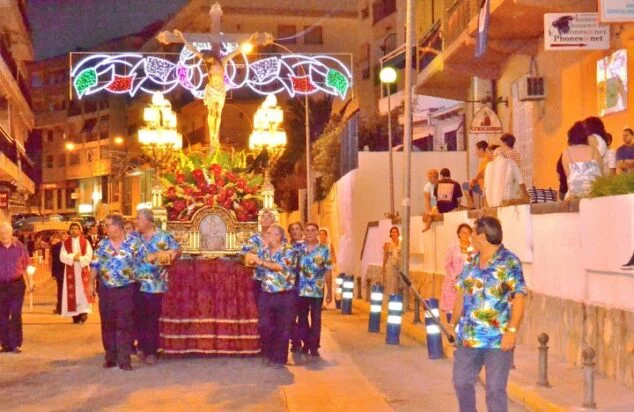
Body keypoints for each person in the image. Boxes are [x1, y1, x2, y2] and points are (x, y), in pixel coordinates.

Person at [450, 216, 528, 412]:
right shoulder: (471, 261)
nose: (470, 238)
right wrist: (453, 324)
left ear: (482, 237)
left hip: (497, 341)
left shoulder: (509, 262)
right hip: (469, 338)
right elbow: (461, 293)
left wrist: (512, 331)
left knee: (495, 391)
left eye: (473, 234)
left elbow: (519, 297)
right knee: (461, 382)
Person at [89, 214, 142, 371]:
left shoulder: (133, 243)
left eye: (108, 225)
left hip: (127, 289)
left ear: (117, 226)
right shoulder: (102, 245)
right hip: (106, 289)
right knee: (108, 323)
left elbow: (142, 263)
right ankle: (110, 357)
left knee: (125, 323)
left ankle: (124, 359)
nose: (105, 228)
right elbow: (95, 264)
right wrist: (90, 283)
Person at [134, 209, 180, 365]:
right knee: (138, 317)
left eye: (138, 219)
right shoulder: (134, 237)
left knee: (151, 319)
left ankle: (151, 351)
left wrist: (169, 255)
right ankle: (141, 347)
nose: (136, 222)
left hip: (155, 284)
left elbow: (177, 249)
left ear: (148, 221)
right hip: (136, 283)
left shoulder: (163, 236)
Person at [249, 225, 297, 368]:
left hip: (284, 294)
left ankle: (280, 358)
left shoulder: (289, 250)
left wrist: (261, 262)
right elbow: (252, 262)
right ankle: (268, 353)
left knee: (283, 327)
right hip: (266, 293)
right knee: (265, 325)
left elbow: (281, 266)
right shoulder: (264, 251)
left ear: (278, 236)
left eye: (270, 234)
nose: (267, 236)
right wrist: (251, 259)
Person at [297, 223, 333, 357]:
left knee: (316, 318)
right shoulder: (298, 247)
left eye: (313, 230)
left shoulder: (324, 249)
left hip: (317, 290)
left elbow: (328, 271)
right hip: (300, 289)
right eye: (307, 230)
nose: (310, 233)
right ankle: (305, 343)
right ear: (304, 233)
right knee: (302, 318)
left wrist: (330, 291)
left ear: (318, 232)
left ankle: (314, 346)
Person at [0, 222, 31, 353]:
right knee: (2, 315)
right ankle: (5, 344)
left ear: (11, 233)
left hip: (17, 285)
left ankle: (16, 344)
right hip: (1, 286)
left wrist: (30, 282)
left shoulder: (20, 247)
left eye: (6, 232)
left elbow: (27, 266)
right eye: (1, 233)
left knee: (16, 314)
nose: (4, 235)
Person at [440, 224, 473, 328]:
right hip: (453, 281)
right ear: (459, 234)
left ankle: (462, 329)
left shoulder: (474, 248)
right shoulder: (453, 247)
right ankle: (452, 329)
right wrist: (455, 275)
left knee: (465, 306)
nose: (466, 234)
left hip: (468, 282)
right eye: (463, 232)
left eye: (468, 232)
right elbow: (447, 263)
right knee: (452, 305)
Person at [60, 223, 93, 324]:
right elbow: (62, 256)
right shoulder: (66, 243)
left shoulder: (85, 242)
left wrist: (80, 258)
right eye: (72, 229)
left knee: (83, 291)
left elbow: (89, 255)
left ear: (80, 230)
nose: (74, 230)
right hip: (71, 269)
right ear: (69, 231)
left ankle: (83, 312)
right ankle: (74, 314)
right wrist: (73, 257)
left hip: (82, 269)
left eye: (76, 229)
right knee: (72, 292)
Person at [561, 121, 603, 199]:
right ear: (585, 137)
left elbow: (569, 177)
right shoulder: (594, 150)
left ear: (570, 137)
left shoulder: (566, 152)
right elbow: (601, 172)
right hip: (596, 195)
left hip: (575, 197)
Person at [242, 210, 276, 305]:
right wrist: (250, 258)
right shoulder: (253, 239)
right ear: (260, 221)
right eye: (263, 217)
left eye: (268, 217)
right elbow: (245, 254)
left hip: (275, 278)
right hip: (258, 277)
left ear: (273, 221)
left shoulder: (279, 237)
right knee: (260, 306)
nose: (265, 219)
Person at [287, 222, 304, 353]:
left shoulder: (306, 247)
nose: (295, 231)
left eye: (297, 229)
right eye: (292, 229)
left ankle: (309, 343)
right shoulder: (286, 247)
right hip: (290, 286)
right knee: (290, 316)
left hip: (303, 285)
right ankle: (295, 341)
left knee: (303, 316)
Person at [464, 140, 489, 209]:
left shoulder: (487, 159)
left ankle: (473, 206)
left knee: (465, 185)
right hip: (481, 185)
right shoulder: (484, 160)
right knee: (466, 184)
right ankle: (473, 206)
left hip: (484, 187)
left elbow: (482, 173)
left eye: (476, 150)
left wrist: (474, 180)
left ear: (481, 149)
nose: (476, 152)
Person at [382, 226, 401, 297]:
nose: (394, 233)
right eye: (392, 232)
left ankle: (397, 296)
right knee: (391, 280)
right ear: (390, 234)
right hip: (390, 263)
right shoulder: (387, 244)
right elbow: (385, 255)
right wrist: (383, 265)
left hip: (399, 263)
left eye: (395, 232)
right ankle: (391, 296)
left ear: (398, 234)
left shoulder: (401, 243)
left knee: (397, 281)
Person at [50, 233, 66, 314]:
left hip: (69, 271)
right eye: (63, 235)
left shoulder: (70, 246)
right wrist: (54, 273)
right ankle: (59, 308)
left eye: (66, 235)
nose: (65, 236)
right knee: (60, 291)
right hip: (60, 272)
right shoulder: (56, 247)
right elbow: (54, 261)